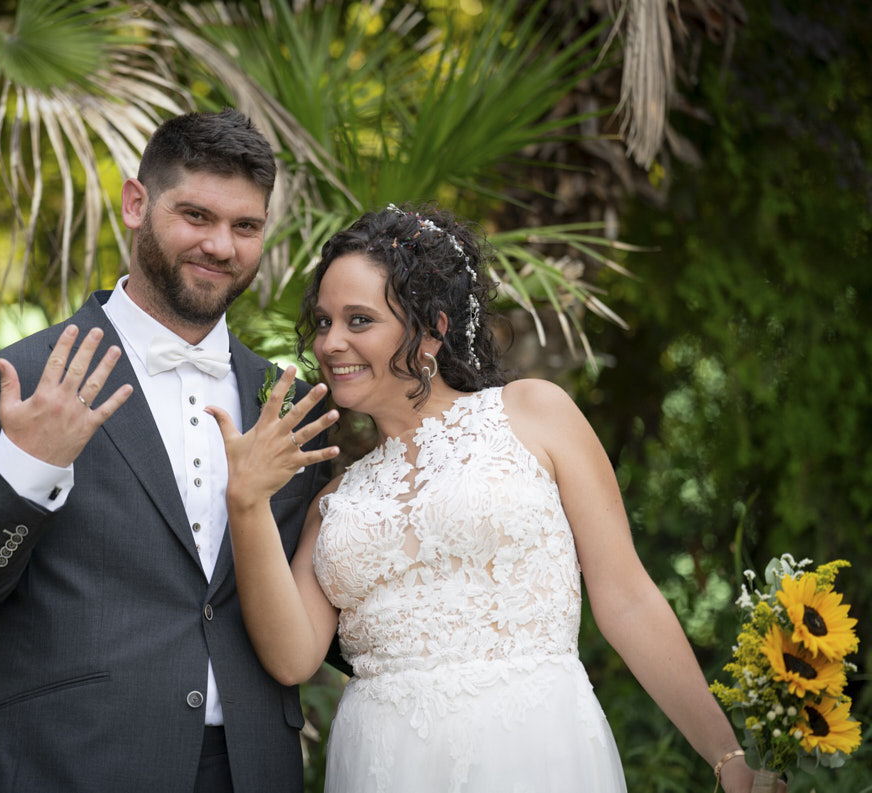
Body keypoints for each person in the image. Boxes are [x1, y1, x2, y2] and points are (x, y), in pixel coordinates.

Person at [207, 204, 783, 792]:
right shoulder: (334, 500)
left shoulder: (534, 414)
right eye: (324, 322)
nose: (332, 342)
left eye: (359, 320)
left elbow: (626, 598)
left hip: (532, 746)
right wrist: (247, 503)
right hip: (381, 764)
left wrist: (726, 755)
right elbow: (293, 658)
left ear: (432, 328)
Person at [0, 109, 331, 793]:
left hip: (254, 768)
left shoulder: (285, 399)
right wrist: (28, 470)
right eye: (196, 215)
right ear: (137, 204)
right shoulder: (29, 377)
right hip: (72, 762)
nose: (221, 246)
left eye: (245, 226)